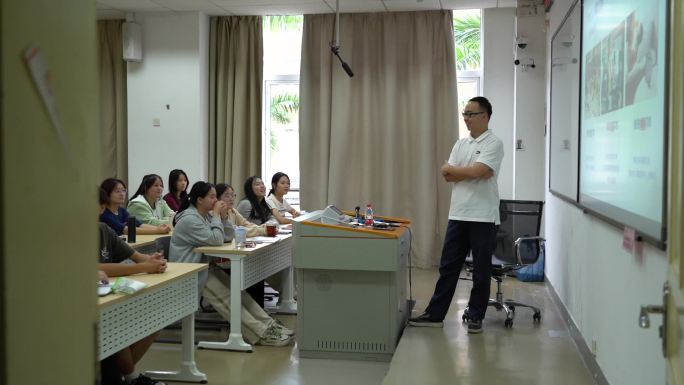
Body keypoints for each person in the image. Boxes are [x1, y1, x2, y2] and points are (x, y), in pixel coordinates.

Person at [408, 96, 504, 334]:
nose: (466, 118)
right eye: (464, 114)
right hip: (458, 214)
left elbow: (480, 171)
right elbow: (448, 174)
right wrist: (467, 172)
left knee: (481, 272)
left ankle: (475, 315)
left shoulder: (494, 143)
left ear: (485, 116)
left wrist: (463, 171)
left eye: (470, 114)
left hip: (483, 217)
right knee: (448, 267)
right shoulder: (460, 144)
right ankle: (435, 314)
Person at [168, 181, 293, 346]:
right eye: (212, 197)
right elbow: (216, 239)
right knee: (227, 297)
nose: (215, 200)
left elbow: (227, 236)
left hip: (204, 266)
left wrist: (225, 217)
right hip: (189, 272)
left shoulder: (204, 215)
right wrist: (217, 216)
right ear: (199, 199)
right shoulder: (190, 219)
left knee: (239, 294)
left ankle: (269, 324)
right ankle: (261, 333)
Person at [98, 188, 168, 385]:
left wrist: (151, 259)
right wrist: (144, 267)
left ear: (101, 208)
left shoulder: (103, 229)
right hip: (93, 303)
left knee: (155, 315)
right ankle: (131, 376)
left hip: (109, 293)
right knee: (115, 322)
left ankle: (125, 374)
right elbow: (92, 268)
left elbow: (136, 256)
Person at [100, 178, 171, 236]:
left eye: (123, 190)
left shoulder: (121, 210)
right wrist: (156, 230)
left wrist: (160, 228)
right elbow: (125, 230)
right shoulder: (103, 213)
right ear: (107, 193)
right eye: (117, 191)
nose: (122, 194)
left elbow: (138, 224)